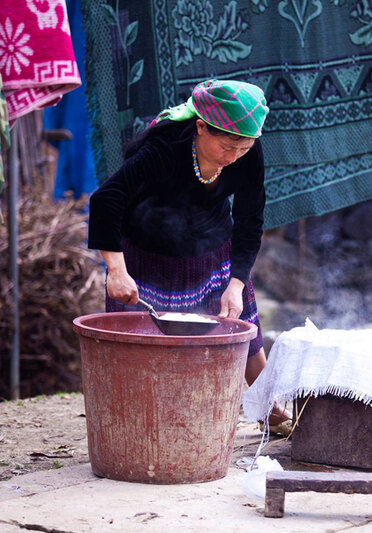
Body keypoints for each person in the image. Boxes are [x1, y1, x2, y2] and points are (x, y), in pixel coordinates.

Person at [88, 79, 291, 435]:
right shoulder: (164, 146)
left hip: (212, 248)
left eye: (243, 148)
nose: (234, 157)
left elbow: (250, 219)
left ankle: (268, 410)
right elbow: (106, 200)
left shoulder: (247, 152)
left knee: (243, 328)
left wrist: (237, 282)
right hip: (147, 256)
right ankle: (139, 427)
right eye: (227, 147)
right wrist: (116, 271)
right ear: (200, 127)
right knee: (142, 346)